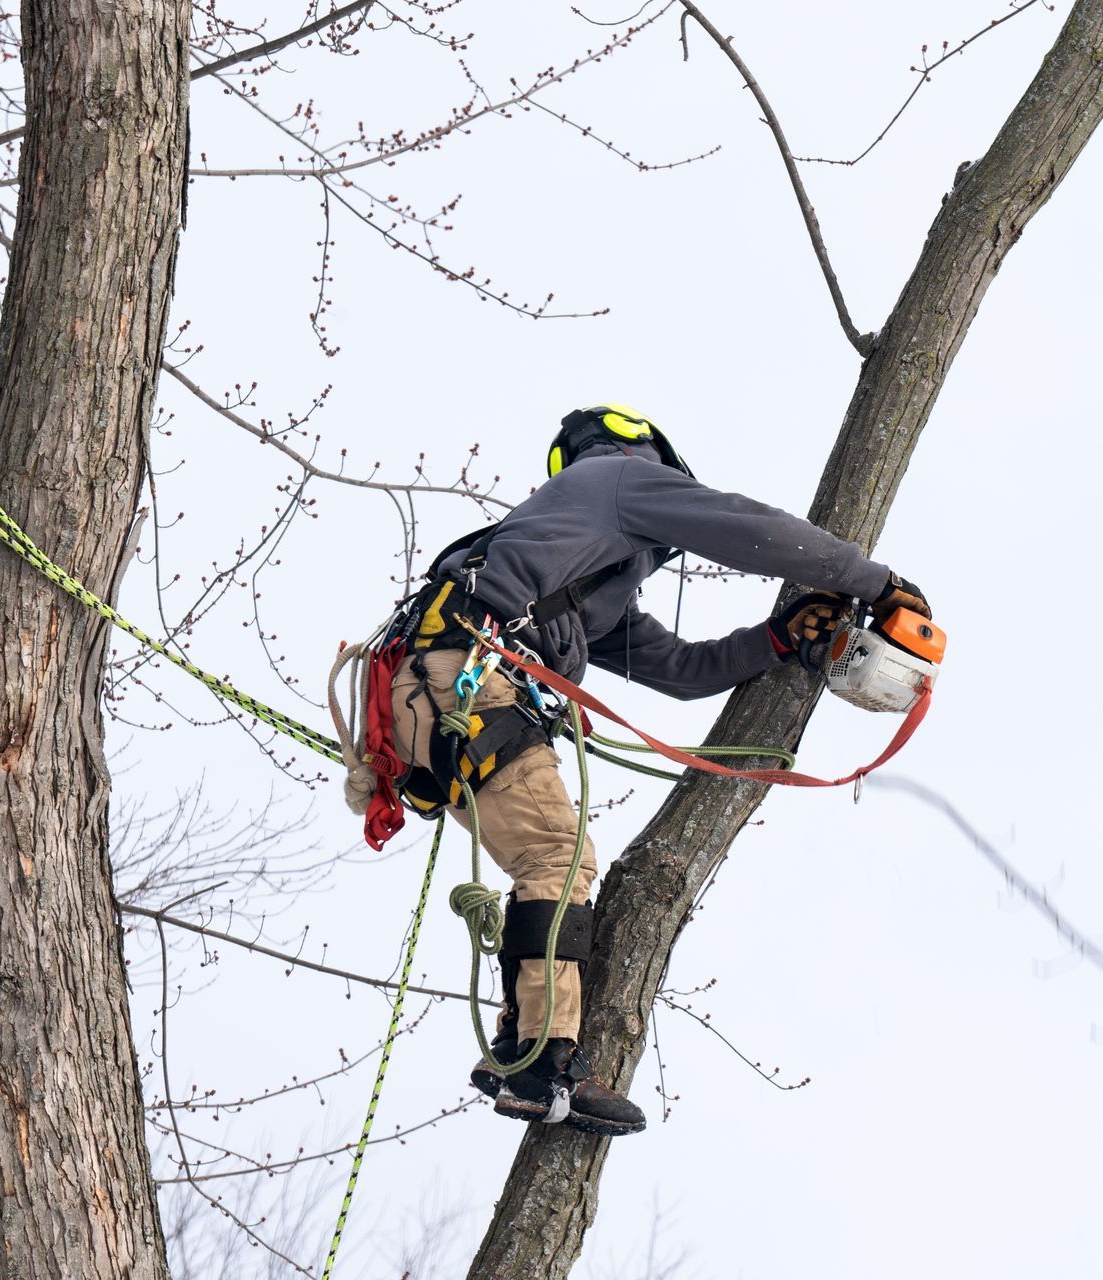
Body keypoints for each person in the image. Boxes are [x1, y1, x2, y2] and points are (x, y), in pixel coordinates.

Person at [387, 405, 930, 1137]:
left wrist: (774, 638)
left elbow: (679, 670)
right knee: (559, 856)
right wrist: (877, 581)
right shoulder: (617, 476)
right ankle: (540, 1063)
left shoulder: (582, 584)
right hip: (464, 680)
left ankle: (522, 1046)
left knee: (550, 861)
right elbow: (746, 528)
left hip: (438, 697)